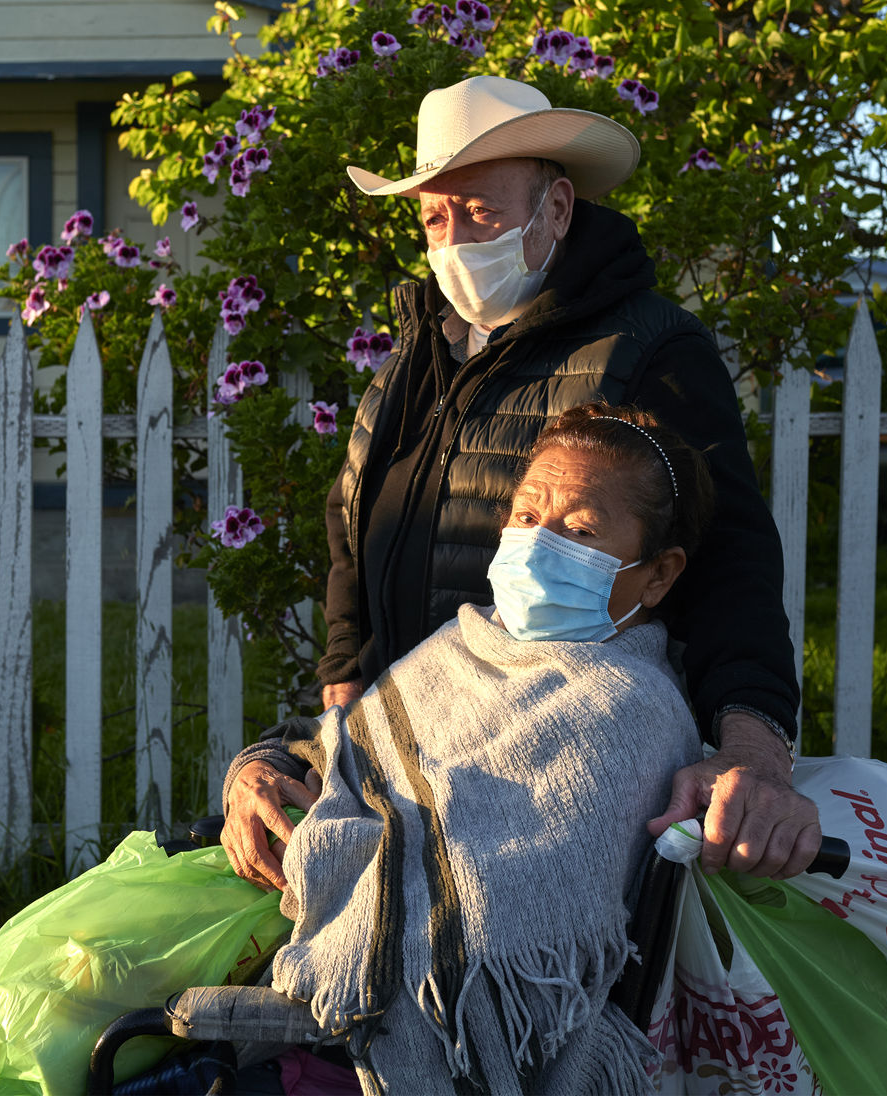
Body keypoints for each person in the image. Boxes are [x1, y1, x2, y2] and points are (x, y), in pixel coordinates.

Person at [227, 75, 819, 891]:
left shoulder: (647, 350)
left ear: (559, 209)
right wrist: (340, 706)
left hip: (565, 782)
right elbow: (351, 532)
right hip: (414, 757)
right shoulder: (415, 360)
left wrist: (754, 752)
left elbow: (731, 563)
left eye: (481, 211)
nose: (456, 243)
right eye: (435, 219)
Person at [225, 405, 711, 1094]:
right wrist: (257, 771)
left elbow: (488, 924)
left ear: (657, 575)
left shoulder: (631, 711)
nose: (537, 544)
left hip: (377, 1027)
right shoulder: (464, 642)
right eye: (526, 515)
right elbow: (342, 744)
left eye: (580, 531)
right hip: (284, 940)